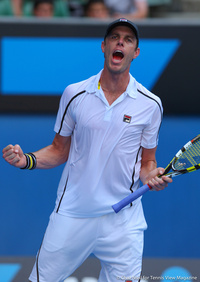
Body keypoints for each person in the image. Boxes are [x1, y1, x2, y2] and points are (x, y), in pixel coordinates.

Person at [2, 18, 172, 282]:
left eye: (128, 40)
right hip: (73, 213)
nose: (120, 42)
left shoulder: (151, 105)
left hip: (123, 221)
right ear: (104, 46)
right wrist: (27, 160)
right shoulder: (74, 94)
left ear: (135, 53)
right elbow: (59, 150)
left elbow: (147, 161)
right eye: (114, 37)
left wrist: (150, 176)